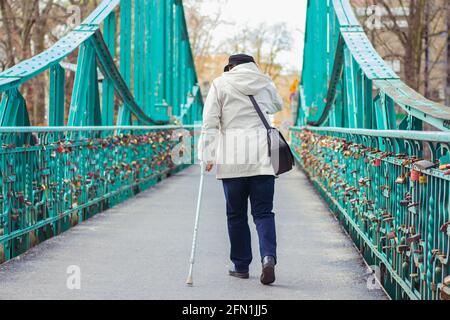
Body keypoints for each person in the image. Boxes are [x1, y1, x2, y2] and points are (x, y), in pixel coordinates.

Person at [198, 54, 283, 285]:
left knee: (235, 215)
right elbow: (278, 105)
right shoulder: (264, 82)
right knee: (263, 213)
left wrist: (207, 154)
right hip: (263, 158)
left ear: (231, 67)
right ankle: (268, 258)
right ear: (252, 66)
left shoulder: (220, 83)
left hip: (232, 158)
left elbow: (210, 122)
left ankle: (241, 265)